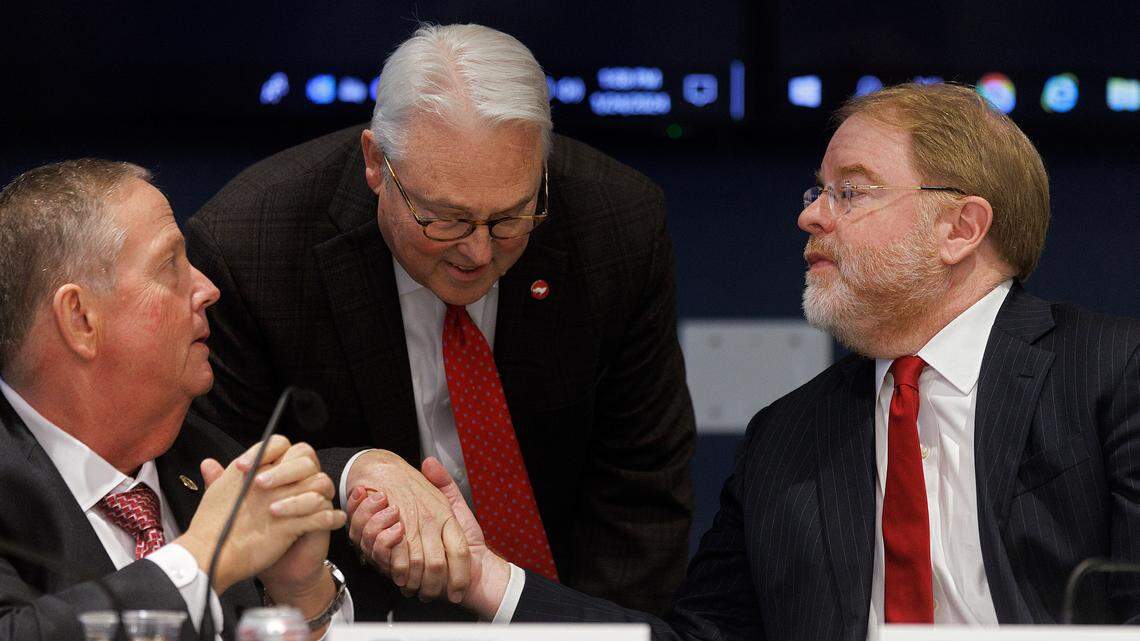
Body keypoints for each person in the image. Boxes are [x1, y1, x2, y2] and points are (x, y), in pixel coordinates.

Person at [357, 82, 1140, 638]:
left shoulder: (1111, 376)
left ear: (961, 227)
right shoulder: (787, 441)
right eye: (817, 188)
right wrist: (485, 576)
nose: (809, 214)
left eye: (850, 192)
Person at [184, 23, 695, 618]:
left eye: (509, 216)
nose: (479, 253)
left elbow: (641, 493)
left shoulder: (617, 226)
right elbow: (217, 470)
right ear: (376, 163)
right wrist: (348, 471)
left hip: (562, 604)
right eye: (444, 218)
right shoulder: (252, 244)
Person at [0, 159, 353, 641]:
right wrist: (204, 557)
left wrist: (299, 595)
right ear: (80, 318)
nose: (208, 290)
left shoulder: (216, 462)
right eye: (171, 265)